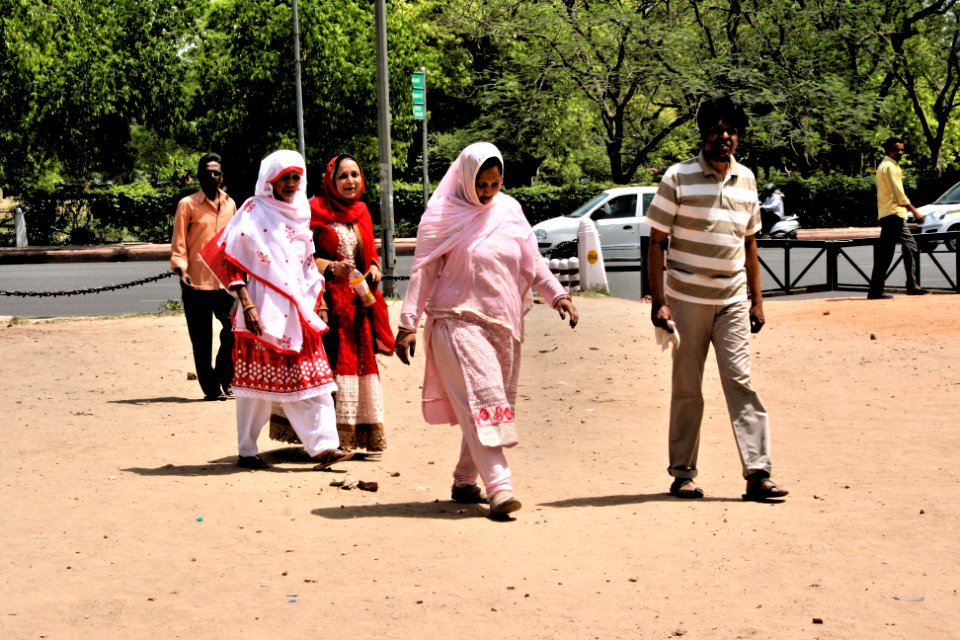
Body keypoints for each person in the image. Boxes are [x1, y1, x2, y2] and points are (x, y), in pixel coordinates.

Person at [394, 142, 579, 518]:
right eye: (481, 185)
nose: (487, 193)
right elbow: (423, 271)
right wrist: (407, 324)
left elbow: (533, 261)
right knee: (484, 401)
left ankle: (465, 479)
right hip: (454, 320)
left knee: (484, 404)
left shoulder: (509, 211)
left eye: (494, 185)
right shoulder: (441, 216)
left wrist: (558, 295)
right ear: (465, 178)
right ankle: (500, 487)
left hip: (503, 325)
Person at [646, 95, 789, 502]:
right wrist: (660, 302)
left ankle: (758, 473)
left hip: (732, 299)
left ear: (738, 135)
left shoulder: (747, 179)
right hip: (687, 299)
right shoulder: (677, 177)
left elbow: (749, 243)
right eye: (715, 128)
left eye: (730, 129)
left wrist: (757, 300)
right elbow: (657, 243)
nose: (723, 136)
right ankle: (683, 474)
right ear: (703, 132)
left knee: (740, 381)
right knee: (688, 387)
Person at [200, 150, 353, 471]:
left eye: (296, 177)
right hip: (259, 311)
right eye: (284, 177)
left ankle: (325, 447)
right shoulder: (252, 212)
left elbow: (307, 265)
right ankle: (247, 450)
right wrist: (248, 305)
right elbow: (232, 262)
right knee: (255, 391)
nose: (290, 183)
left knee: (315, 379)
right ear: (270, 178)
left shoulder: (300, 214)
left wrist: (320, 300)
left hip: (298, 312)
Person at [309, 154, 395, 452]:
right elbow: (302, 258)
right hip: (327, 302)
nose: (350, 181)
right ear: (330, 181)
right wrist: (330, 267)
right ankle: (327, 438)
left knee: (356, 365)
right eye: (343, 176)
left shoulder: (362, 212)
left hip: (358, 302)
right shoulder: (314, 211)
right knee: (330, 365)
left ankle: (356, 433)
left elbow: (368, 253)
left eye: (355, 175)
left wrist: (373, 265)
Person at [170, 153, 238, 400]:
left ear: (222, 176)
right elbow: (179, 243)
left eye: (216, 172)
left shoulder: (230, 204)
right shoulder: (187, 205)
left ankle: (225, 376)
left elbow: (236, 241)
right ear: (199, 175)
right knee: (201, 342)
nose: (212, 176)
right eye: (208, 172)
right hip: (196, 284)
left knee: (234, 330)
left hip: (225, 284)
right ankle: (210, 389)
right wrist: (181, 269)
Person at [868, 137, 929, 299]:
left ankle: (876, 290)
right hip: (894, 213)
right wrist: (915, 212)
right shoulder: (889, 167)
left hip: (889, 214)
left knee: (886, 253)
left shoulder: (886, 166)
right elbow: (898, 193)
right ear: (888, 150)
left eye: (902, 149)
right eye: (896, 149)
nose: (900, 152)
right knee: (910, 245)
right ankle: (911, 285)